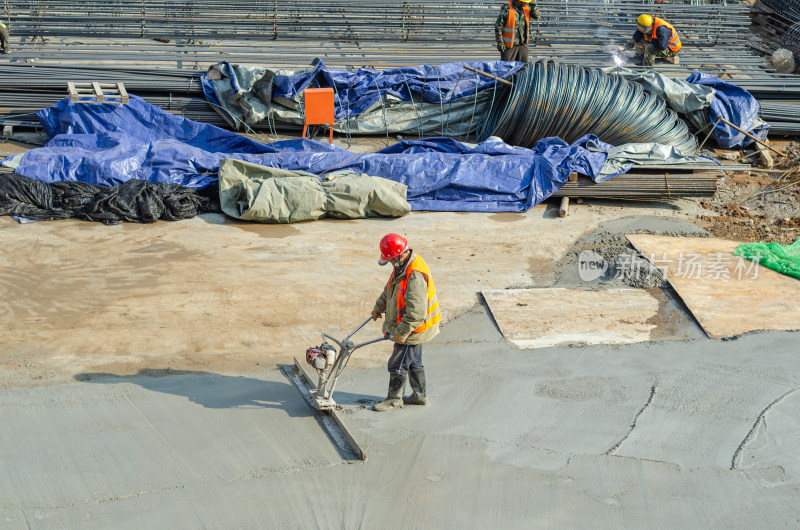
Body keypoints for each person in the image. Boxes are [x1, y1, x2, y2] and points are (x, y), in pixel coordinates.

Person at [370, 233, 440, 412]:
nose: (391, 263)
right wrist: (379, 308)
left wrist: (401, 333)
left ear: (400, 255)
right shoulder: (402, 267)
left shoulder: (414, 275)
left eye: (391, 260)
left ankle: (394, 400)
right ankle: (419, 396)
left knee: (398, 364)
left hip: (413, 329)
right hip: (412, 327)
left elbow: (416, 313)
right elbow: (390, 290)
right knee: (414, 362)